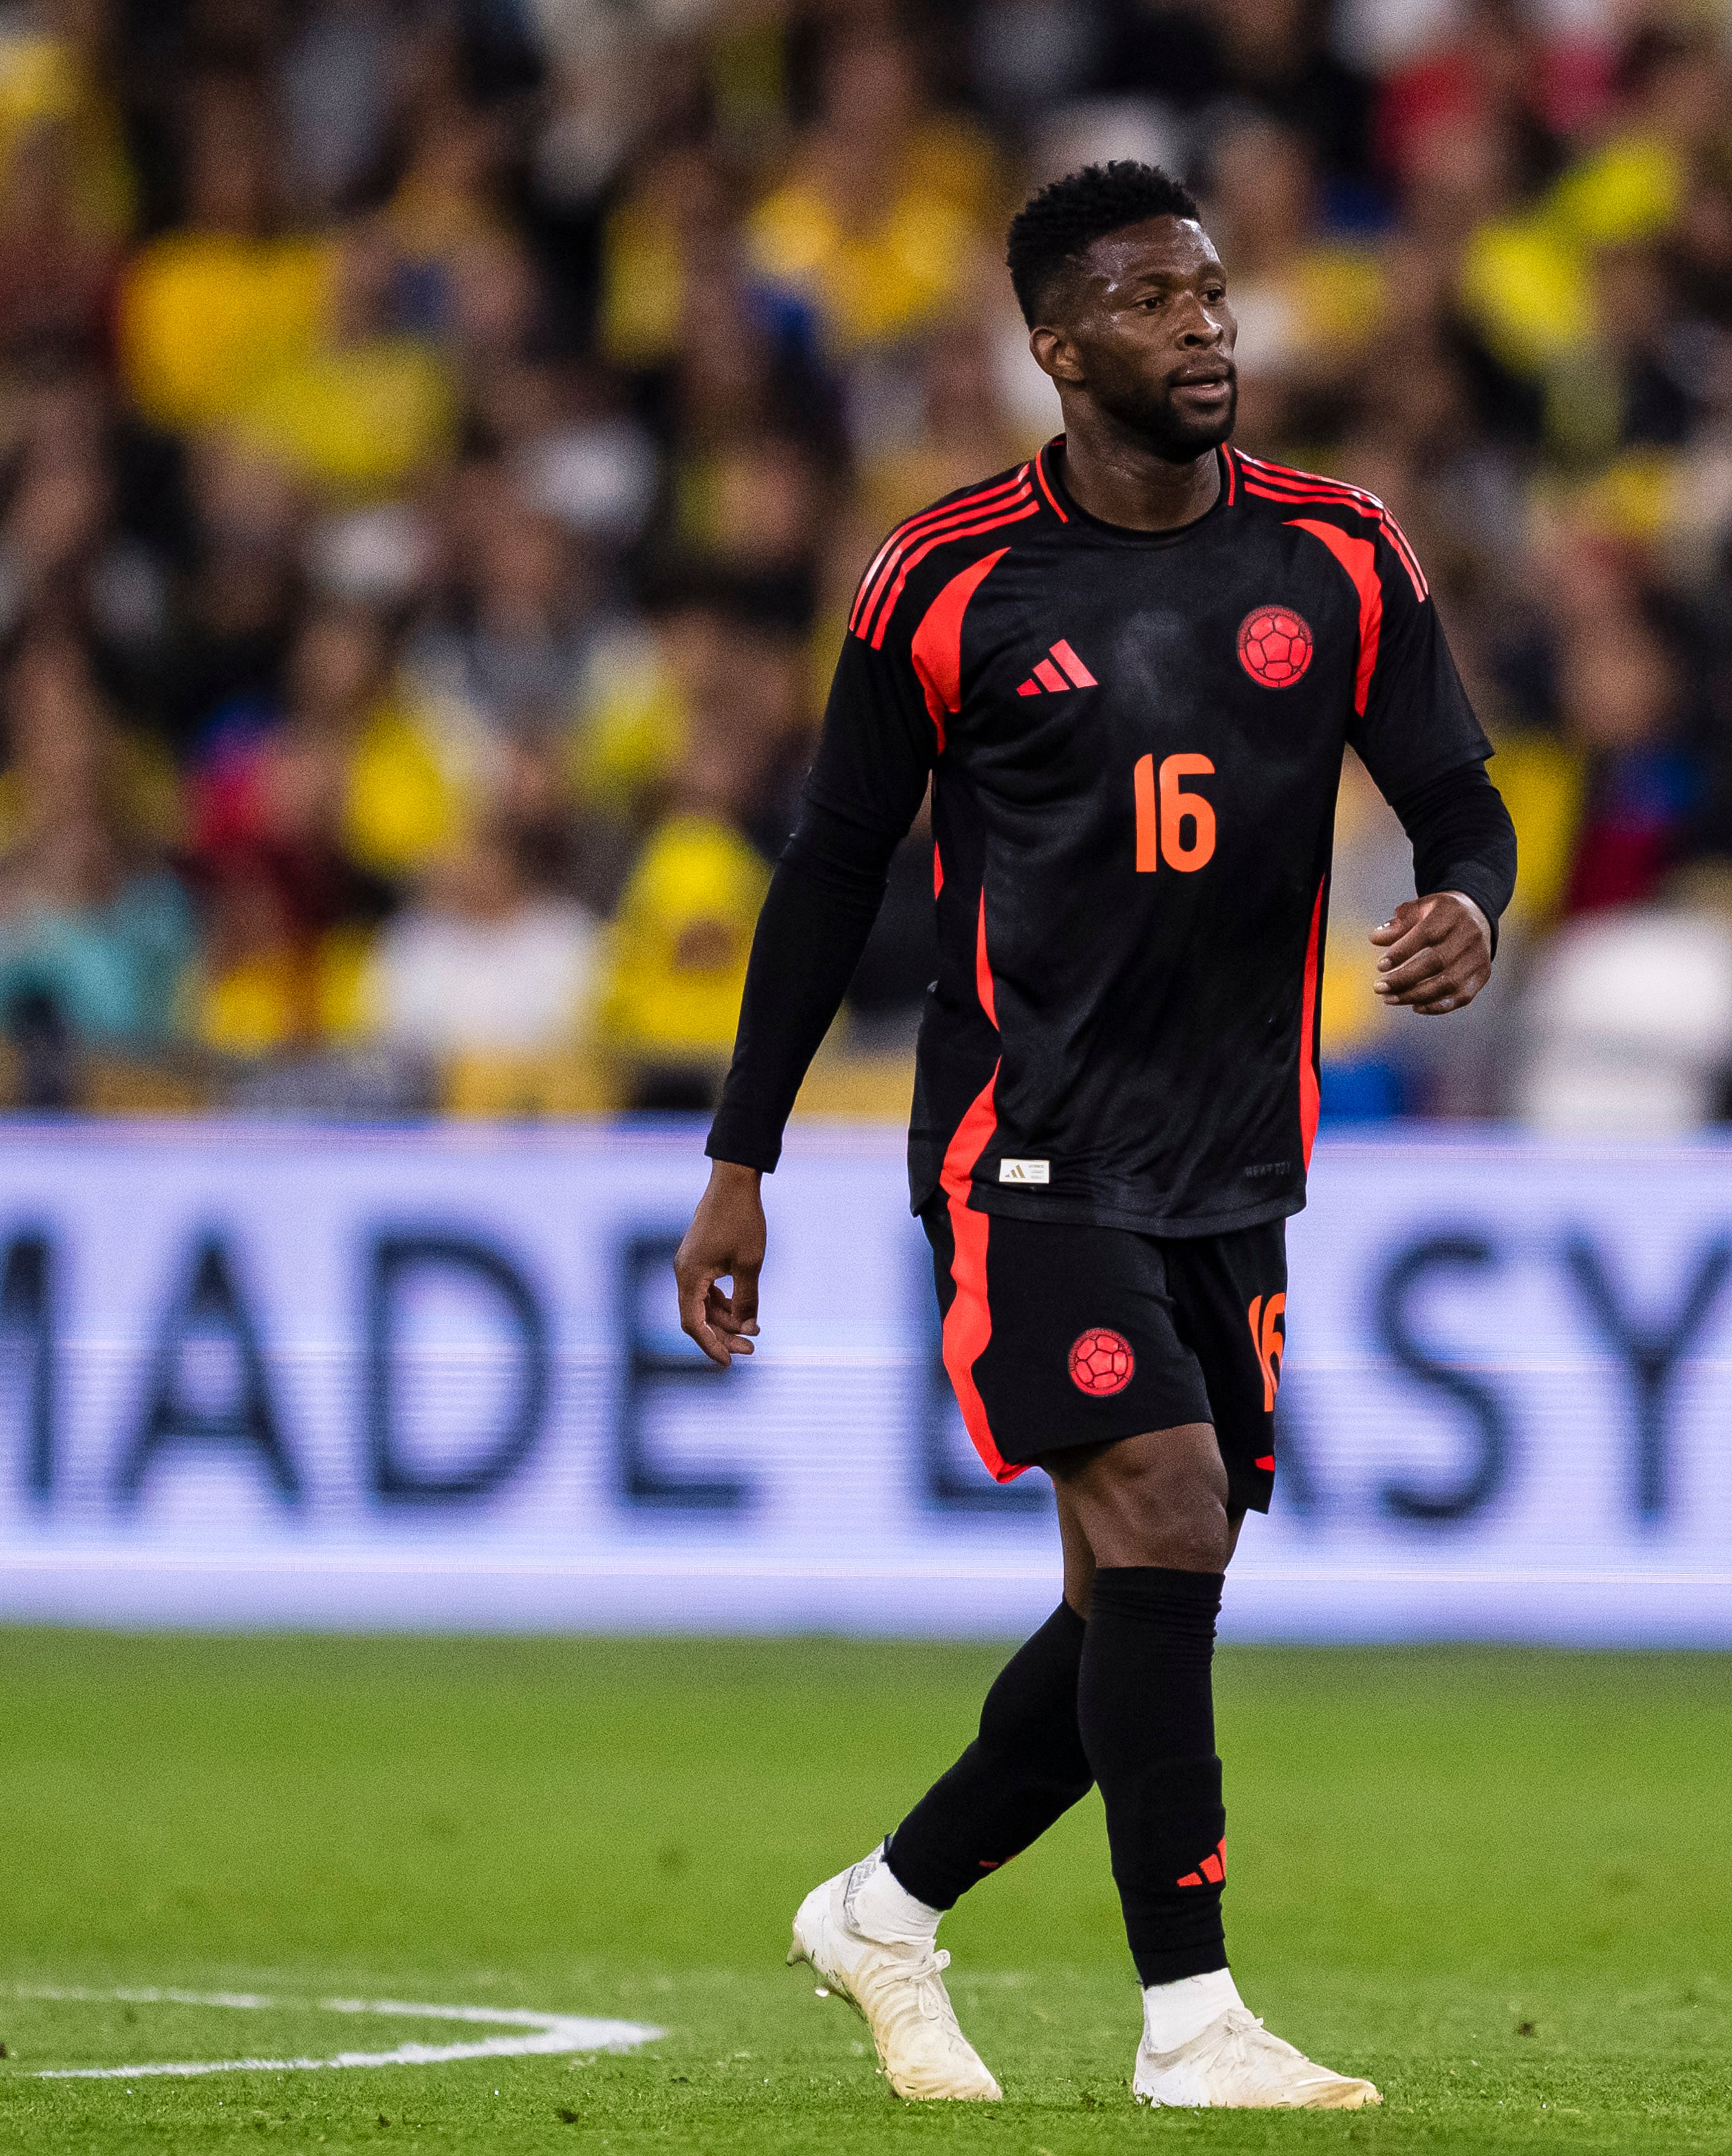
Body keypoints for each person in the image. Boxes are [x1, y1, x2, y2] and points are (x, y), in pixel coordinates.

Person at [672, 162, 1516, 2111]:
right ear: (1055, 351)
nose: (1204, 327)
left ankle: (884, 1908)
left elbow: (1460, 792)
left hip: (1235, 1150)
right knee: (1163, 1509)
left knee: (1140, 1593)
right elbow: (827, 870)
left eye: (1213, 292)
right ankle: (1191, 2022)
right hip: (1021, 1136)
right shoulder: (947, 578)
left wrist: (1471, 897)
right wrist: (743, 1157)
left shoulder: (1344, 554)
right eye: (1150, 302)